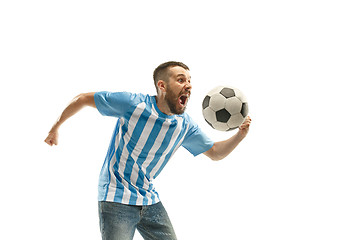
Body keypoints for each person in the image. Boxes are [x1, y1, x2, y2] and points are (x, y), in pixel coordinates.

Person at [44, 61, 251, 240]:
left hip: (149, 199)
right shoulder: (133, 104)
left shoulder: (185, 125)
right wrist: (55, 127)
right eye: (181, 80)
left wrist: (239, 136)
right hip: (116, 197)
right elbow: (82, 99)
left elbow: (215, 152)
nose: (188, 85)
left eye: (189, 81)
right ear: (162, 86)